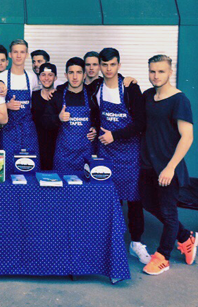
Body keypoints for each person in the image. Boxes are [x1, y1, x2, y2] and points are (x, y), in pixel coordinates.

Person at [91, 48, 149, 265]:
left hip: (129, 152)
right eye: (104, 65)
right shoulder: (96, 87)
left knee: (133, 198)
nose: (108, 69)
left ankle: (137, 243)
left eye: (112, 65)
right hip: (106, 150)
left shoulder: (130, 89)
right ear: (99, 66)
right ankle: (106, 242)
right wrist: (96, 131)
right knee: (107, 196)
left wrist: (115, 135)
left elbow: (141, 124)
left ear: (119, 65)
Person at [140, 54, 196, 275]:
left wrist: (171, 167)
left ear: (170, 72)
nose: (156, 75)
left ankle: (163, 256)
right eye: (152, 71)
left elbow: (187, 137)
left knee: (168, 211)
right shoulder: (148, 96)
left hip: (167, 167)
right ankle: (185, 237)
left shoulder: (179, 100)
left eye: (161, 71)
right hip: (147, 165)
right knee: (149, 204)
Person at [44, 57, 97, 171]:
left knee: (86, 187)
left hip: (86, 154)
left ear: (84, 75)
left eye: (78, 72)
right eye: (71, 72)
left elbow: (100, 118)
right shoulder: (57, 95)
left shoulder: (92, 95)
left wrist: (95, 128)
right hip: (63, 156)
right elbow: (45, 122)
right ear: (66, 75)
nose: (74, 77)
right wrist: (58, 118)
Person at [0, 40, 40, 174]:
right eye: (15, 52)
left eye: (22, 52)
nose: (19, 55)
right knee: (9, 168)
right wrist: (6, 106)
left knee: (29, 167)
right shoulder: (0, 77)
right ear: (10, 54)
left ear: (27, 54)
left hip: (28, 130)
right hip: (8, 129)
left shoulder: (32, 78)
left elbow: (38, 103)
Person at [32, 63, 58, 170]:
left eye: (50, 75)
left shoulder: (60, 95)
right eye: (43, 74)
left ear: (55, 77)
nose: (46, 78)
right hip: (36, 142)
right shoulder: (33, 96)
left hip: (56, 144)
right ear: (39, 77)